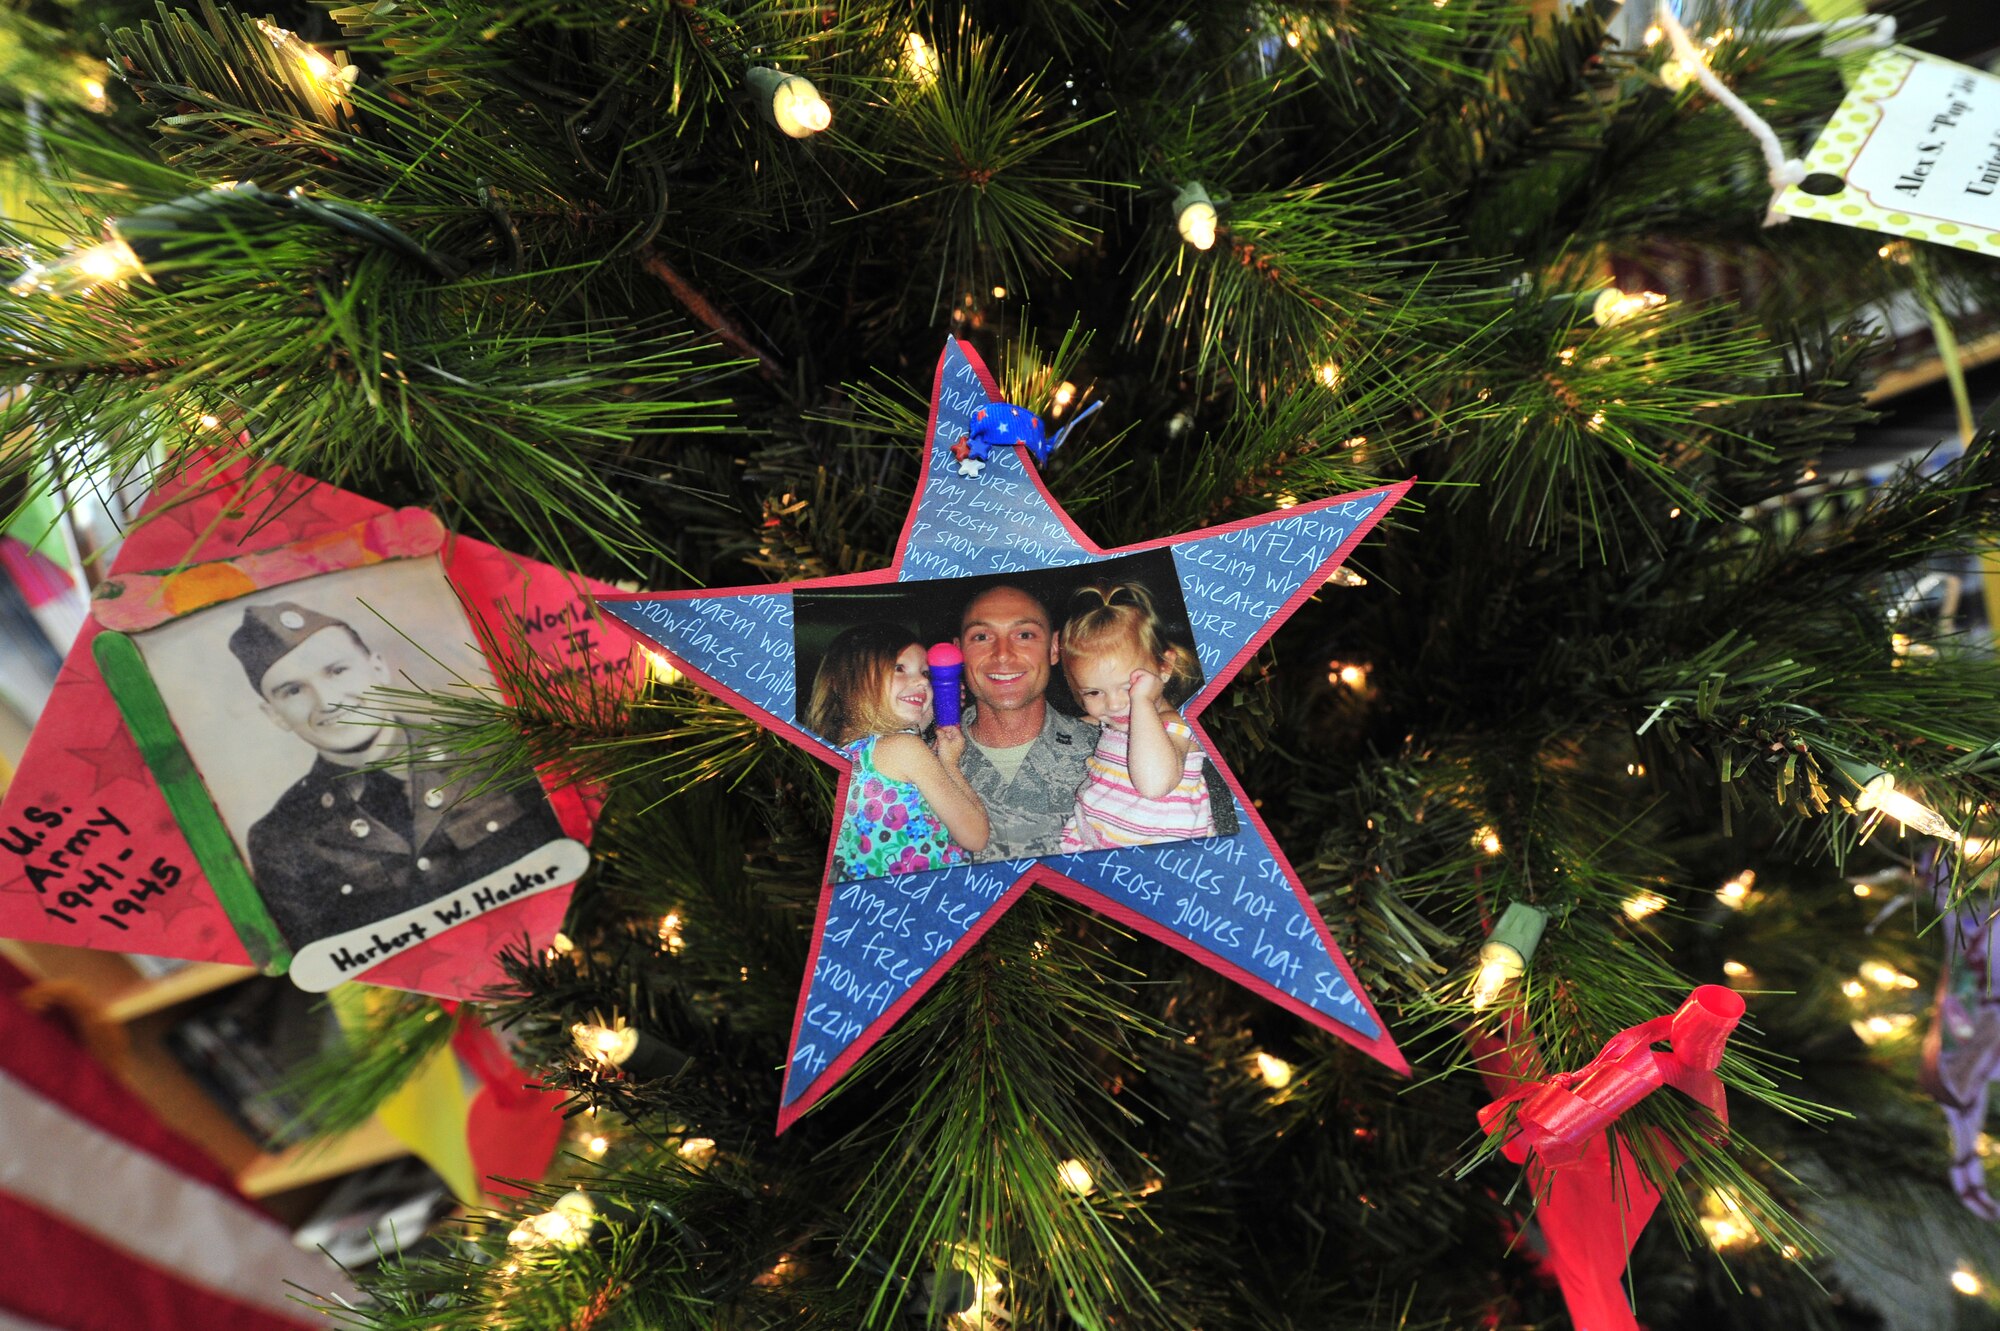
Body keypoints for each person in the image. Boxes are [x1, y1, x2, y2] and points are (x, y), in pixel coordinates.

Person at [230, 600, 569, 949]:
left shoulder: (491, 748)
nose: (328, 701)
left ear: (378, 668)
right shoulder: (280, 839)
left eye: (337, 671)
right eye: (293, 691)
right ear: (275, 715)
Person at [805, 621, 988, 880]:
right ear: (849, 681)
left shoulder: (846, 754)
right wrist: (950, 764)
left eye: (926, 674)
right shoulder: (904, 749)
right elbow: (976, 837)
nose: (922, 681)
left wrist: (936, 710)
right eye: (899, 668)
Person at [1055, 581, 1217, 850]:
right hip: (1090, 834)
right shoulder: (1115, 716)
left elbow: (1154, 785)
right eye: (1094, 692)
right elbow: (1079, 725)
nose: (1114, 705)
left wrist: (1142, 702)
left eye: (1129, 686)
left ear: (1164, 667)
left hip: (1159, 850)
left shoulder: (1173, 725)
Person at [954, 584, 1096, 860]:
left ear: (1054, 648)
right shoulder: (924, 766)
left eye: (1024, 635)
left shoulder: (1112, 753)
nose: (1002, 654)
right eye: (981, 637)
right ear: (958, 653)